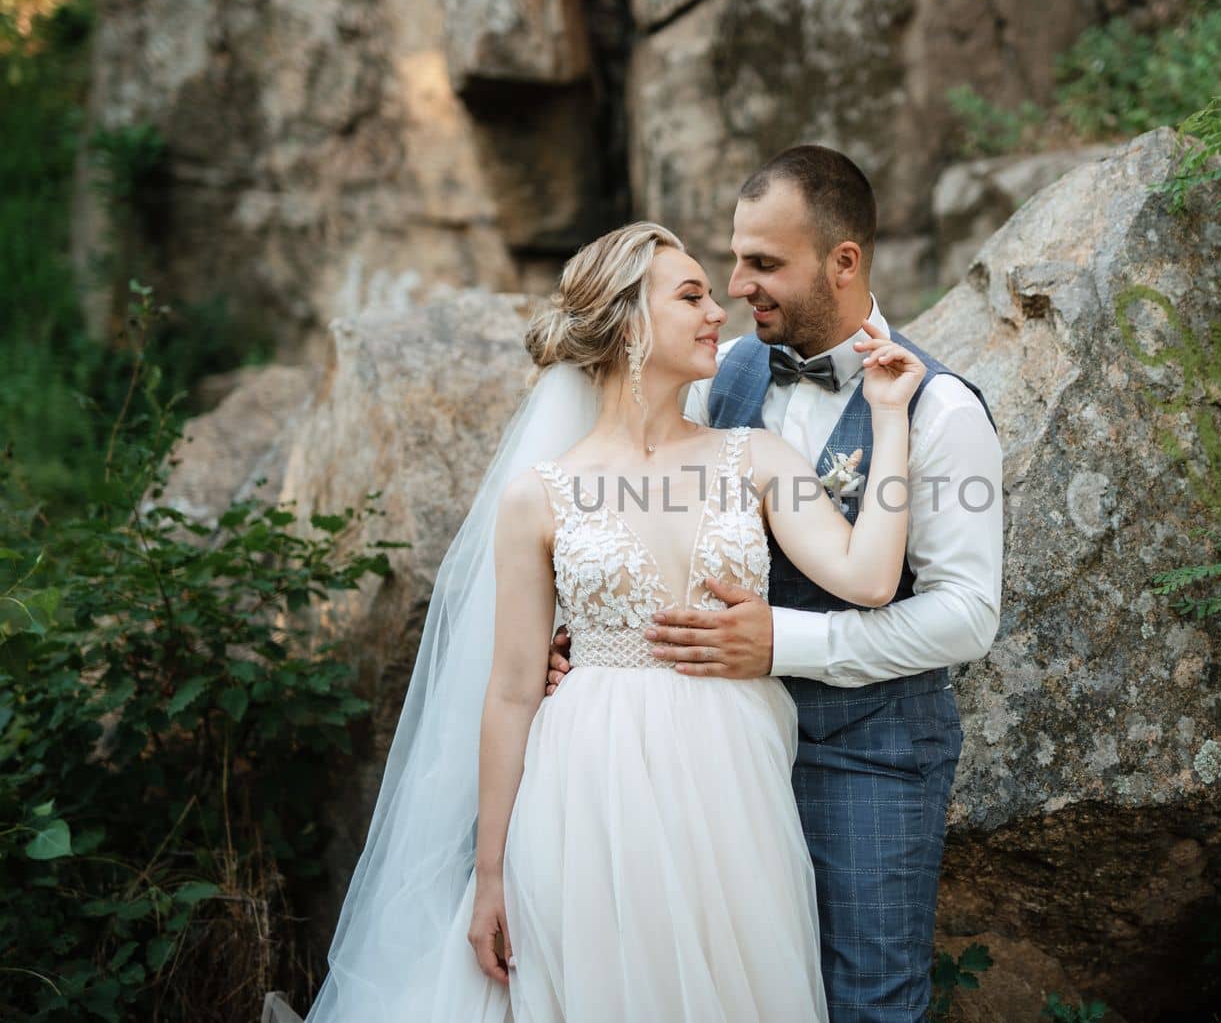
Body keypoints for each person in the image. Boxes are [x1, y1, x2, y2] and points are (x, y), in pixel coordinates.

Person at [269, 220, 928, 1023]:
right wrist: (488, 879)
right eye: (690, 295)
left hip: (733, 788)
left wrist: (890, 416)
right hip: (584, 791)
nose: (717, 310)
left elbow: (868, 579)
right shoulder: (538, 497)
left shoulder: (753, 457)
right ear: (625, 322)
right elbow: (511, 694)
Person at [547, 146, 1005, 1021]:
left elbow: (966, 616)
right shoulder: (723, 372)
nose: (736, 284)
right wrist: (585, 645)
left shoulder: (940, 411)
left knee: (867, 1001)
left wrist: (786, 643)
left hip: (865, 752)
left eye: (764, 263)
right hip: (712, 748)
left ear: (844, 261)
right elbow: (638, 496)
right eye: (734, 258)